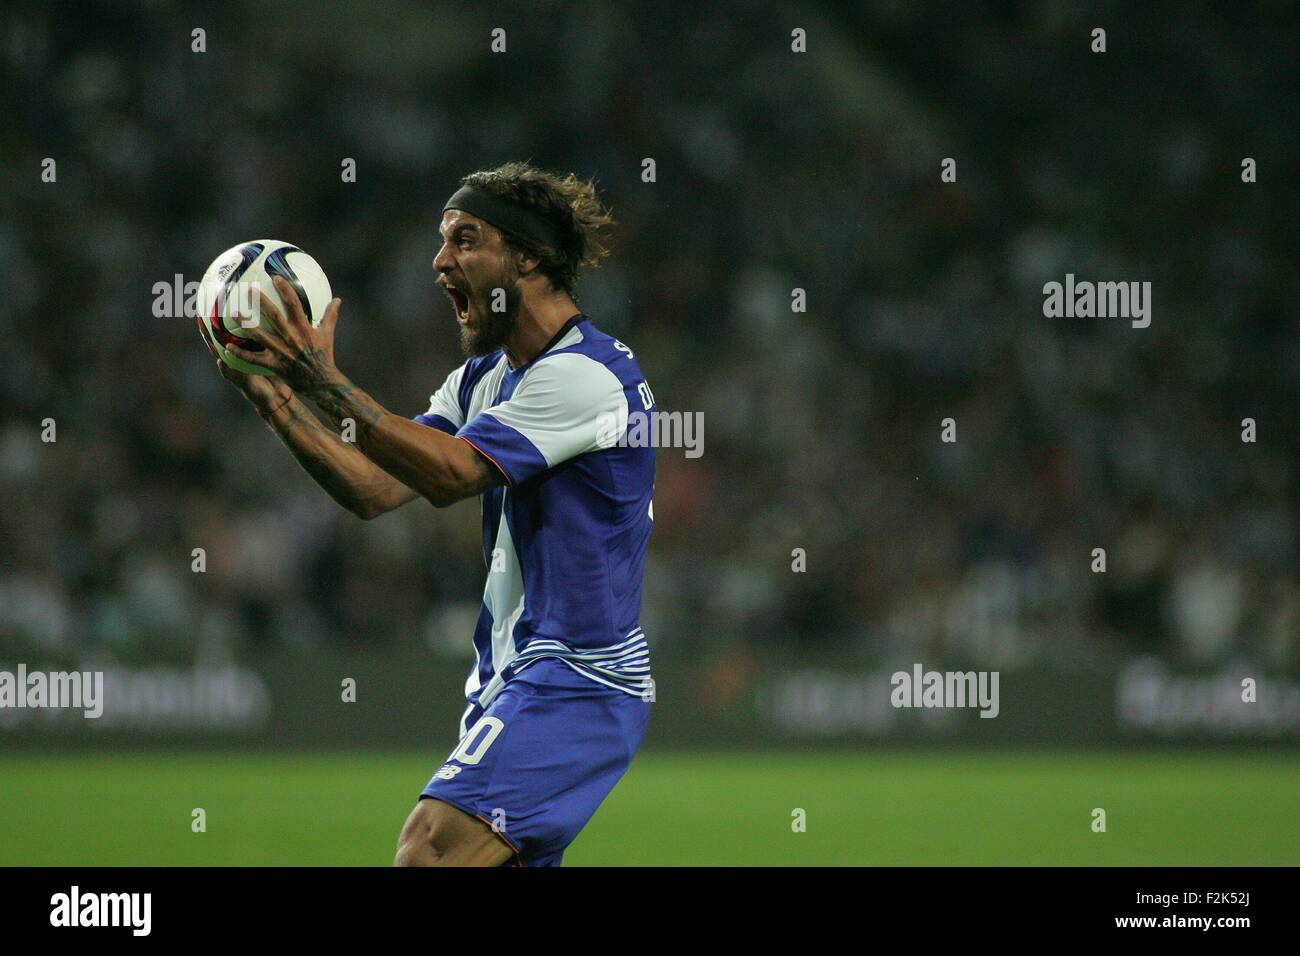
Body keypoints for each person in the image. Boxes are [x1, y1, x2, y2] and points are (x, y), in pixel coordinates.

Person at [199, 162, 655, 866]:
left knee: (428, 853)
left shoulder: (587, 376)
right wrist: (278, 400)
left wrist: (319, 376)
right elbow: (375, 487)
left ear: (529, 256)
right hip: (513, 678)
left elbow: (451, 475)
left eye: (465, 240)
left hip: (576, 678)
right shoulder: (486, 377)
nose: (440, 262)